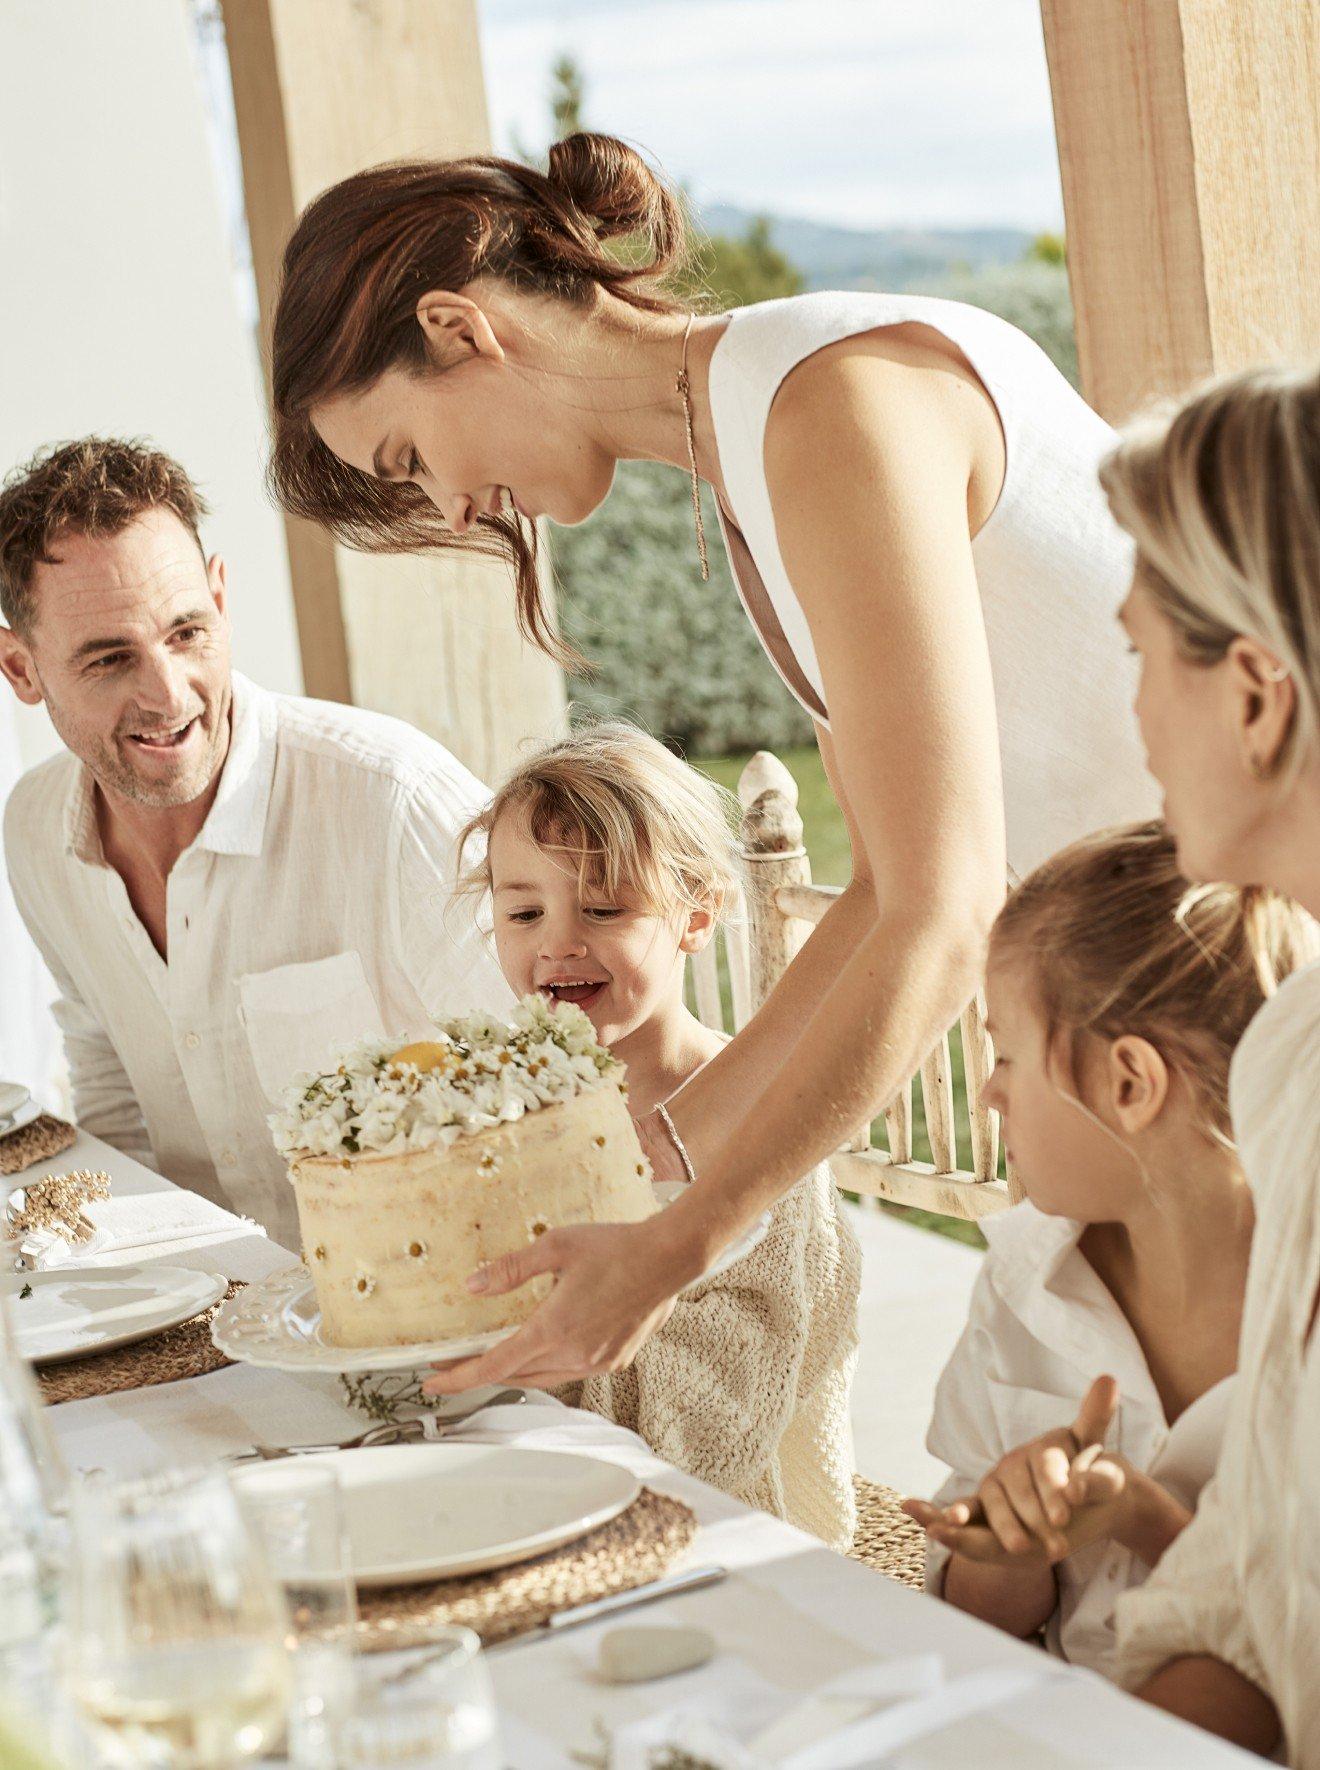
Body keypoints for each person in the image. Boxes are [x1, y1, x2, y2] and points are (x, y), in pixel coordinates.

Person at [267, 131, 1157, 1386]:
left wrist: (680, 1241)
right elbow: (879, 895)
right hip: (1178, 1010)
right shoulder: (753, 448)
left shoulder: (829, 406)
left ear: (460, 330)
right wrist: (659, 1154)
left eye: (411, 458)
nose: (453, 511)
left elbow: (944, 912)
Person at [0, 437, 510, 1248]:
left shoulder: (392, 800)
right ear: (21, 669)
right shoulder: (32, 831)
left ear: (221, 595)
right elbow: (110, 1086)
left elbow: (557, 1082)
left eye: (187, 633)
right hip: (200, 1318)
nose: (168, 695)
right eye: (109, 659)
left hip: (442, 1316)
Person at [901, 821, 1314, 1676]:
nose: (988, 1092)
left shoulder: (1302, 1320)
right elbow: (973, 1615)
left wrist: (1138, 1516)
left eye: (1008, 1056)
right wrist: (1009, 1542)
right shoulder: (1023, 1284)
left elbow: (1295, 1650)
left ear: (1129, 1085)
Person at [444, 722, 861, 1547]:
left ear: (696, 916)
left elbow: (722, 1421)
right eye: (523, 911)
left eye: (604, 908)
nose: (558, 941)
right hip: (513, 1492)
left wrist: (513, 1367)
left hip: (712, 1531)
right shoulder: (504, 1104)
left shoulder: (759, 1127)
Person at [1088, 365, 1320, 1762]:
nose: (1135, 721)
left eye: (1137, 658)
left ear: (1254, 697)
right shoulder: (1292, 1046)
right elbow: (1260, 1566)